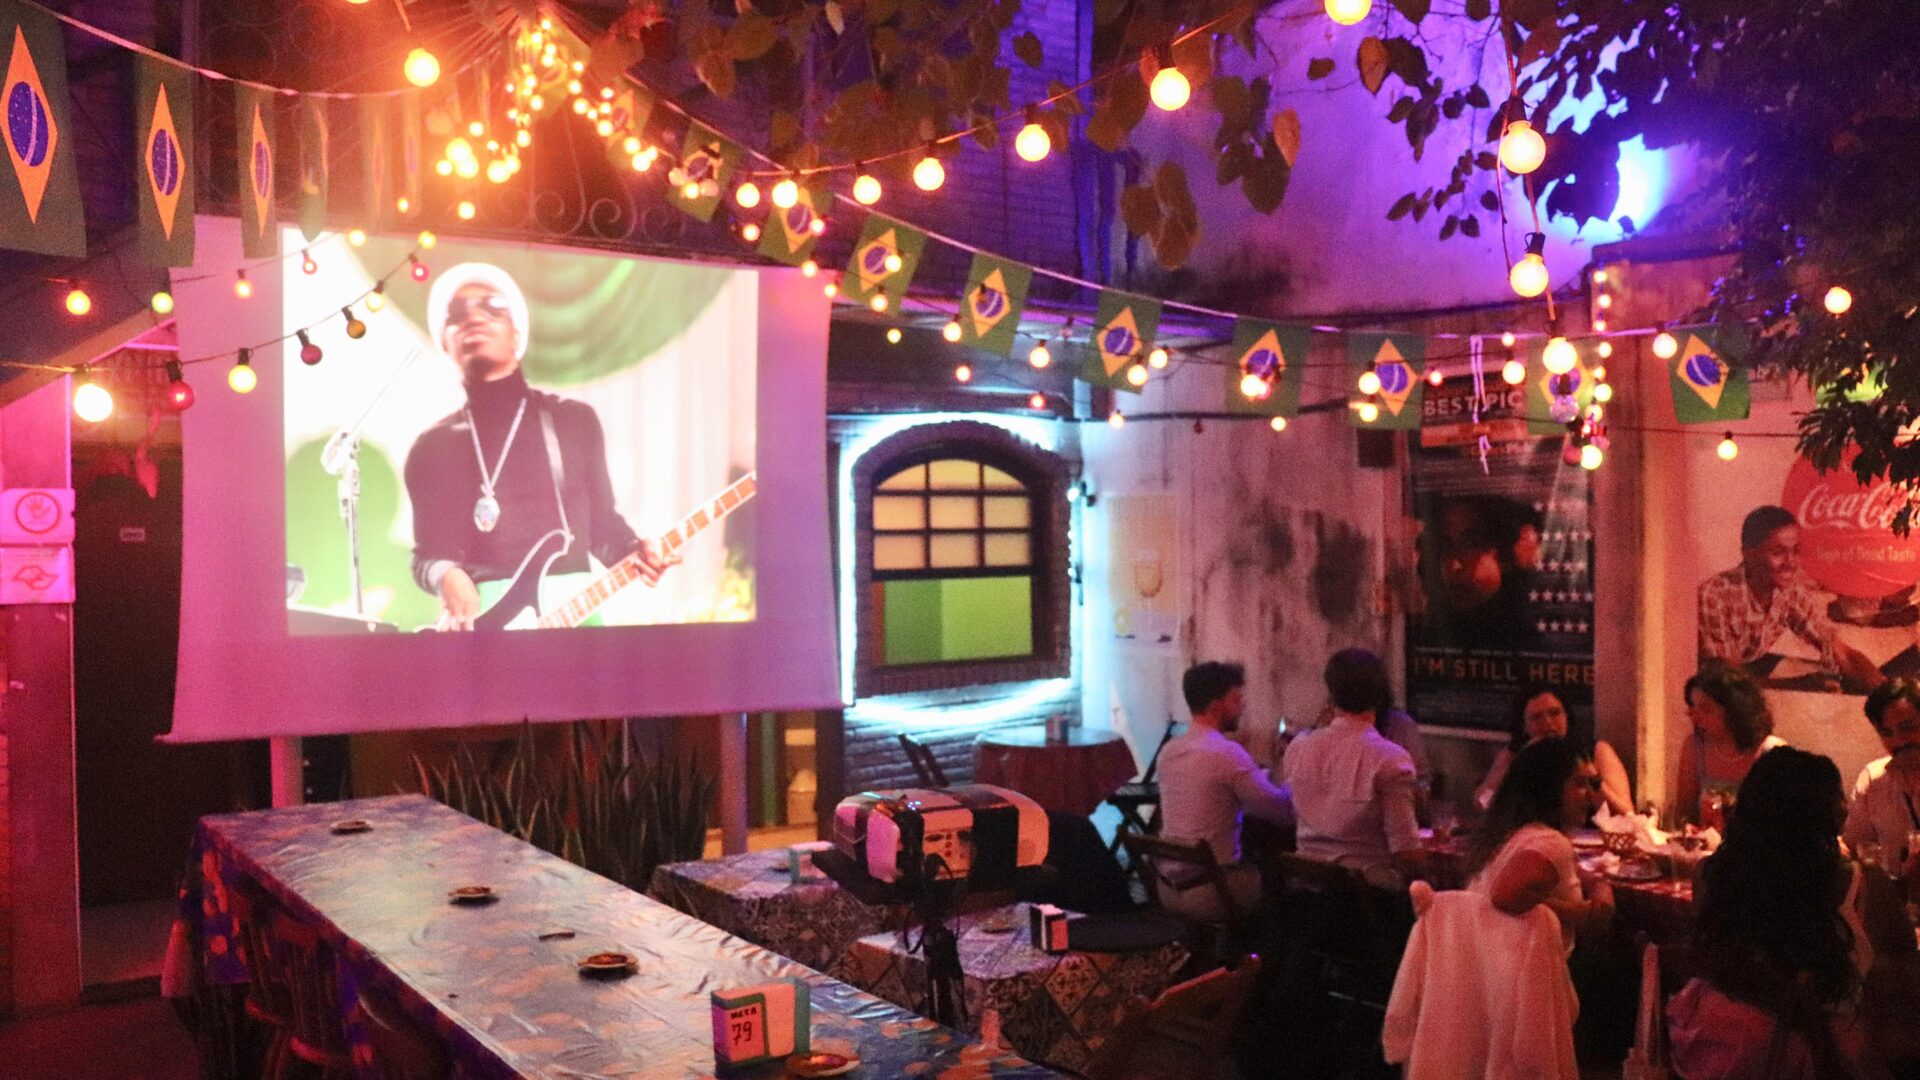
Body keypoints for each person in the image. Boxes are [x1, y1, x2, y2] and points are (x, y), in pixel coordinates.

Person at [404, 263, 673, 630]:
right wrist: (445, 573)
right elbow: (427, 555)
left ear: (517, 335)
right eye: (456, 313)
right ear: (445, 343)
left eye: (493, 306)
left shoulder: (572, 421)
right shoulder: (432, 447)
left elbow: (602, 526)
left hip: (574, 616)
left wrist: (633, 550)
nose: (474, 317)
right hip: (487, 625)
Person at [1668, 746, 1918, 1079]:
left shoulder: (1711, 877)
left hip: (1721, 1052)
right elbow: (1904, 994)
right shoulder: (1866, 887)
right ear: (1830, 815)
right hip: (1830, 1063)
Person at [1156, 661, 1295, 921]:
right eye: (1236, 700)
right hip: (1212, 892)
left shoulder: (1169, 751)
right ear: (1215, 705)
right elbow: (1282, 812)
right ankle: (1261, 946)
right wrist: (1288, 768)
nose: (1242, 707)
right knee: (1284, 876)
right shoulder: (1227, 753)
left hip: (1166, 889)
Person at [1697, 505, 1884, 692]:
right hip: (1710, 682)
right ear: (1748, 554)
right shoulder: (1715, 596)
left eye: (1795, 551)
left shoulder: (1790, 591)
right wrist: (1798, 685)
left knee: (1834, 676)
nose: (1791, 563)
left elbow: (1840, 651)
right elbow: (1726, 682)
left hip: (1748, 666)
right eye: (1778, 553)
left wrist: (1885, 688)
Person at [1283, 648, 1426, 885]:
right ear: (1379, 697)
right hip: (1366, 896)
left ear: (1331, 695)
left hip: (1306, 891)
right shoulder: (1390, 758)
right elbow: (1406, 853)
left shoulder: (1298, 746)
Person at [1467, 738, 1614, 952]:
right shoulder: (1550, 842)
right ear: (1549, 788)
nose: (1591, 795)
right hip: (1525, 968)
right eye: (1580, 784)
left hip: (1487, 961)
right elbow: (1504, 896)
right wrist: (1580, 913)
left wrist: (1597, 885)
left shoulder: (1508, 833)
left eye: (1592, 784)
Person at [1474, 687, 1633, 816]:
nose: (1548, 722)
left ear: (1567, 717)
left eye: (1555, 713)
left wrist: (1593, 780)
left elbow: (1627, 814)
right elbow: (1482, 804)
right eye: (1537, 717)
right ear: (1524, 726)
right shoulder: (1515, 755)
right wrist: (1511, 769)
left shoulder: (1596, 752)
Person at [1675, 663, 1788, 828]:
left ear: (1735, 710)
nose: (1696, 717)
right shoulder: (1694, 747)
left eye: (1706, 709)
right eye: (1692, 708)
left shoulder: (1772, 752)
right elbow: (1684, 814)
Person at [1844, 678, 1920, 884]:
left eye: (1908, 727)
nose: (1899, 741)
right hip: (1896, 899)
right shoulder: (1873, 778)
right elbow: (1854, 846)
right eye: (1886, 733)